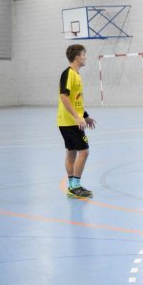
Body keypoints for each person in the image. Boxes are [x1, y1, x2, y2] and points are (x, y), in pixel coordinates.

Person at [58, 44, 96, 199]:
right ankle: (75, 186)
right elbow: (64, 96)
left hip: (71, 121)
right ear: (78, 57)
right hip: (69, 122)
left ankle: (72, 186)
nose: (85, 58)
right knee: (84, 151)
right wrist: (76, 117)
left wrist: (85, 116)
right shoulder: (68, 74)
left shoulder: (77, 75)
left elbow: (76, 100)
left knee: (71, 152)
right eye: (84, 55)